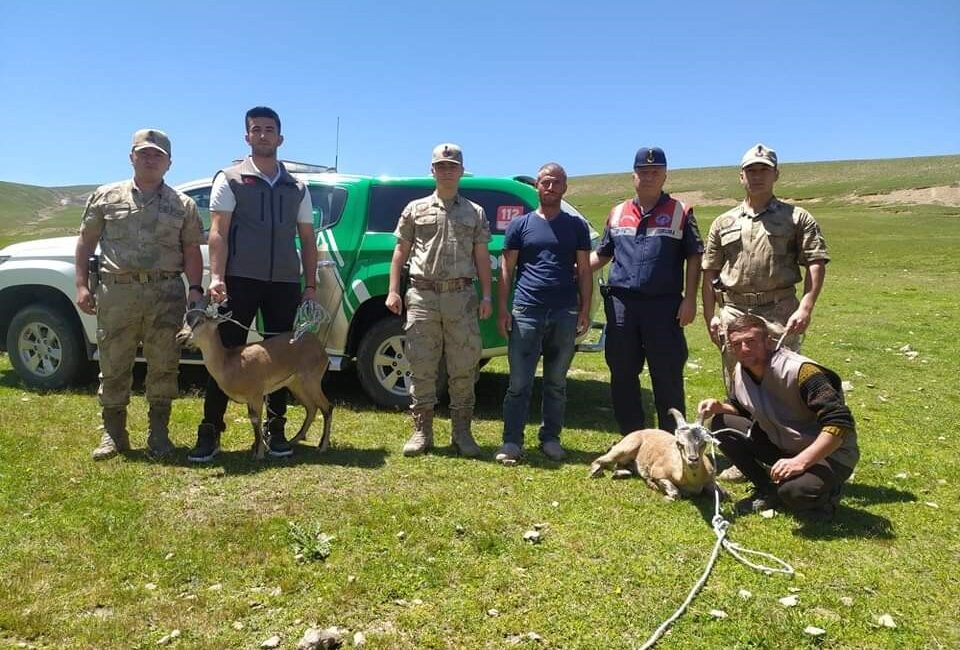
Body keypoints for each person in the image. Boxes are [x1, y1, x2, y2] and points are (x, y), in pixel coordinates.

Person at [188, 106, 317, 462]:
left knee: (279, 357)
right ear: (247, 137)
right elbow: (218, 232)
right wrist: (216, 277)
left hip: (285, 283)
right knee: (224, 354)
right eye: (256, 129)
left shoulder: (298, 187)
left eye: (269, 129)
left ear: (280, 137)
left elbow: (308, 239)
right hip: (238, 281)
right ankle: (210, 431)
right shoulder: (229, 178)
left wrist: (310, 285)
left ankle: (276, 431)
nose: (263, 134)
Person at [76, 129, 204, 460]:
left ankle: (158, 435)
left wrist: (195, 290)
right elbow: (86, 241)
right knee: (114, 363)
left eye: (157, 154)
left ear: (169, 163)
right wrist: (81, 285)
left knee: (164, 365)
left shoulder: (183, 205)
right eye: (143, 153)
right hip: (117, 292)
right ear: (131, 156)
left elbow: (191, 249)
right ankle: (113, 434)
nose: (150, 159)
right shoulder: (105, 197)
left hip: (166, 294)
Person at [386, 143, 493, 457]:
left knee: (464, 367)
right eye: (441, 166)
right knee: (421, 366)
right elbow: (400, 253)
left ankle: (462, 433)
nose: (447, 171)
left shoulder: (475, 213)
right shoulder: (415, 209)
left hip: (461, 297)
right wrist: (394, 290)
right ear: (432, 170)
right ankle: (422, 432)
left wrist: (486, 295)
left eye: (452, 165)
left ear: (461, 171)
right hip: (423, 295)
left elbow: (482, 257)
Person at [698, 314, 859, 521]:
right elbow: (745, 408)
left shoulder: (801, 371)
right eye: (737, 344)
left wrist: (800, 462)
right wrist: (720, 407)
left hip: (829, 454)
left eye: (751, 341)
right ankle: (766, 489)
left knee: (793, 492)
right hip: (785, 444)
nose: (744, 349)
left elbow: (838, 423)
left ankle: (826, 498)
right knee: (721, 423)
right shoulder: (741, 370)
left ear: (768, 341)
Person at [589, 147, 703, 434]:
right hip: (622, 306)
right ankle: (633, 441)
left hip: (663, 307)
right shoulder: (617, 213)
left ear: (665, 175)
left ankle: (670, 442)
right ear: (633, 176)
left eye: (655, 171)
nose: (649, 176)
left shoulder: (681, 211)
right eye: (643, 172)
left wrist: (690, 299)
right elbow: (602, 254)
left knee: (667, 376)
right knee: (623, 374)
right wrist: (569, 269)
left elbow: (694, 256)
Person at [701, 143, 830, 392]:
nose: (757, 176)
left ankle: (784, 431)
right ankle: (742, 429)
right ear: (741, 176)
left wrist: (805, 307)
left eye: (764, 170)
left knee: (783, 381)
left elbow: (816, 261)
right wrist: (711, 317)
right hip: (735, 312)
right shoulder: (723, 222)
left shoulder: (797, 218)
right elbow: (710, 272)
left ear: (776, 174)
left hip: (779, 312)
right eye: (751, 171)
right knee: (738, 383)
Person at [494, 163, 592, 464]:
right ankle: (512, 441)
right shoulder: (520, 225)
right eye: (545, 182)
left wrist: (584, 310)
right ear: (537, 186)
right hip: (526, 311)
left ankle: (550, 439)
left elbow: (585, 270)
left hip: (564, 311)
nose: (550, 188)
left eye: (557, 183)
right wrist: (503, 309)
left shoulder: (576, 227)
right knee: (519, 383)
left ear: (565, 187)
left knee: (556, 383)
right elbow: (507, 269)